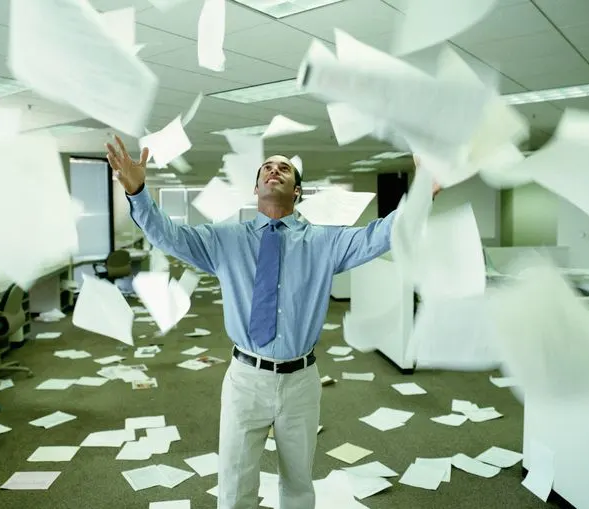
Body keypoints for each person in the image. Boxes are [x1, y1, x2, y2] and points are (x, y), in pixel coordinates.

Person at [105, 136, 436, 509]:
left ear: (297, 190)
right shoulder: (224, 240)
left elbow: (380, 235)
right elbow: (169, 235)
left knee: (298, 487)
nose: (273, 170)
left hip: (301, 382)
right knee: (234, 486)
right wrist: (138, 192)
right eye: (266, 167)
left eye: (283, 168)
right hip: (246, 380)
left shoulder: (325, 242)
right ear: (255, 188)